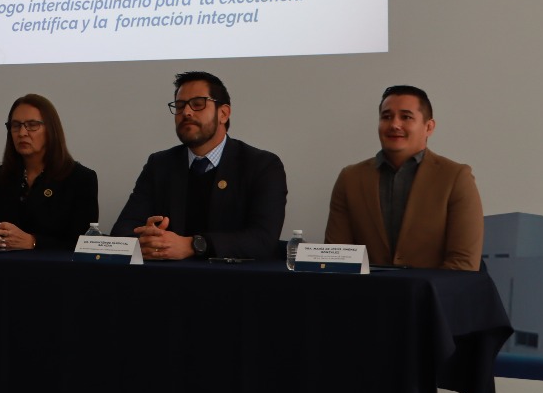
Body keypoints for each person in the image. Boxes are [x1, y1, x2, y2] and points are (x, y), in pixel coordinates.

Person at [112, 70, 286, 260]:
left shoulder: (262, 166)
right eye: (180, 106)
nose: (186, 112)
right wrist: (147, 241)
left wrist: (193, 245)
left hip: (232, 277)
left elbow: (262, 240)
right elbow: (122, 231)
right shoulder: (160, 165)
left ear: (223, 113)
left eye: (197, 104)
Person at [325, 85, 482, 270]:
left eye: (406, 117)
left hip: (433, 288)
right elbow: (336, 257)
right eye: (386, 117)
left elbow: (463, 263)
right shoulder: (350, 178)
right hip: (365, 288)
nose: (394, 125)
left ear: (429, 127)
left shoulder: (455, 177)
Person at [0, 94, 98, 250]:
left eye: (32, 125)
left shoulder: (80, 179)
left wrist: (33, 242)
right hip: (1, 263)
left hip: (54, 265)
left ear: (50, 130)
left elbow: (84, 244)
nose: (22, 133)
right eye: (15, 125)